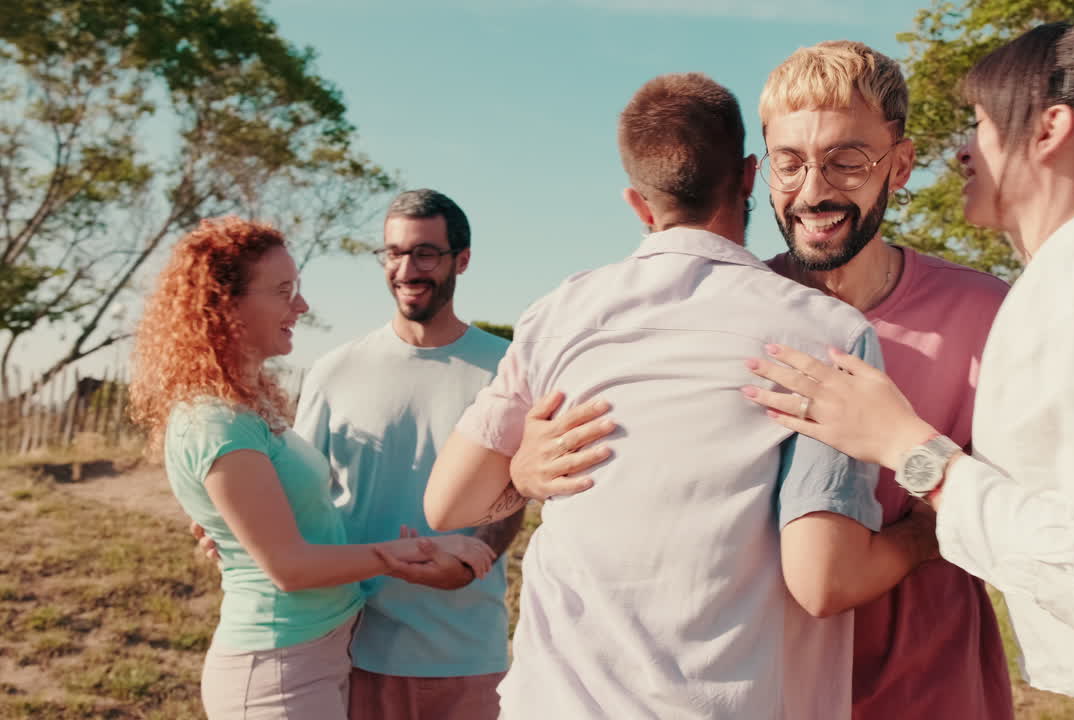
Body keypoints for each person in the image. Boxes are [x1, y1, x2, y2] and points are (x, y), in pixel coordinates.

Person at [742, 20, 1074, 720]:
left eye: (981, 124)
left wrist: (908, 449)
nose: (963, 151)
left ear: (1050, 129)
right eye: (789, 161)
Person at [513, 41, 1016, 720]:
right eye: (791, 163)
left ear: (900, 166)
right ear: (759, 172)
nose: (814, 191)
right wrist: (524, 466)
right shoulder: (713, 318)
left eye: (847, 161)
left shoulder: (988, 314)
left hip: (933, 694)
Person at [413, 73, 912, 719]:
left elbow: (447, 503)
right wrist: (925, 534)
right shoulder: (828, 334)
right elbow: (824, 579)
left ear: (638, 204)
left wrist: (523, 474)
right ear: (749, 174)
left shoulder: (562, 311)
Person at [195, 190, 520, 720]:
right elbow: (296, 492)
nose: (406, 269)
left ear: (462, 259)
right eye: (392, 253)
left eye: (425, 253)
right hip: (349, 647)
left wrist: (466, 562)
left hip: (465, 651)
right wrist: (238, 530)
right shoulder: (333, 370)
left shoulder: (506, 368)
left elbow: (513, 492)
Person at [130, 217, 438, 719]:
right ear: (223, 304)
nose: (301, 305)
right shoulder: (214, 420)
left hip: (311, 657)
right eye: (283, 290)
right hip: (275, 676)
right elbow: (289, 568)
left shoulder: (247, 406)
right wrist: (405, 554)